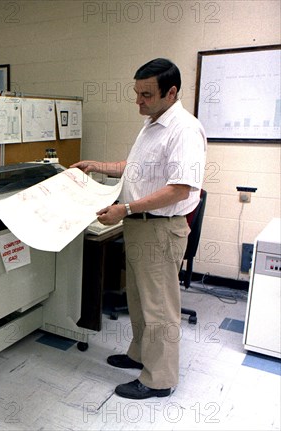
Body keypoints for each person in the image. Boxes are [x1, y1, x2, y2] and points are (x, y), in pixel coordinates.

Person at [72, 58, 207, 399]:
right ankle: (140, 355)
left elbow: (180, 188)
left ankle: (159, 379)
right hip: (140, 226)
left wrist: (125, 208)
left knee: (159, 307)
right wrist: (96, 165)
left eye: (146, 94)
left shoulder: (184, 129)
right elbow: (134, 168)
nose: (139, 101)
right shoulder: (152, 122)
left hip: (160, 229)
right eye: (136, 93)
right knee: (139, 298)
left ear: (171, 92)